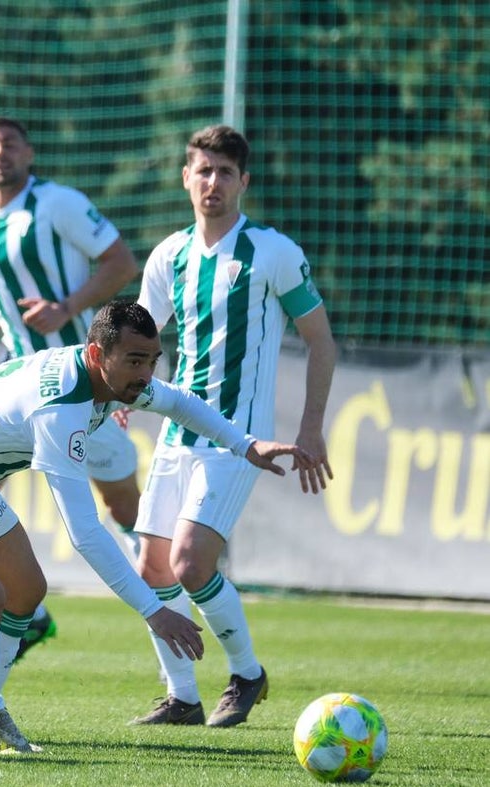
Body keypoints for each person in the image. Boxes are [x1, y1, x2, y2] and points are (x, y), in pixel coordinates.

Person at [0, 300, 310, 752]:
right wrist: (154, 609)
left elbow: (177, 401)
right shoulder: (59, 410)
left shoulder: (104, 378)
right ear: (97, 354)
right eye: (134, 361)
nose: (146, 375)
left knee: (25, 590)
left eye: (152, 360)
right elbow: (85, 532)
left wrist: (244, 445)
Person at [130, 124, 336, 728]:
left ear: (244, 181)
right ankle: (182, 696)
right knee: (151, 570)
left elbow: (320, 343)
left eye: (224, 172)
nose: (212, 182)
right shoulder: (170, 256)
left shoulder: (271, 252)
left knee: (192, 564)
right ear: (185, 178)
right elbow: (141, 336)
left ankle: (246, 673)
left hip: (237, 441)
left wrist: (312, 427)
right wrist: (118, 391)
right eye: (202, 170)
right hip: (174, 434)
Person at [0, 116, 145, 661]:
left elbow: (121, 262)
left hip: (83, 383)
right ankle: (30, 613)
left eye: (9, 144)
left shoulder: (58, 203)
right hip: (21, 385)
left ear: (29, 152)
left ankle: (169, 585)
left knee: (124, 509)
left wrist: (67, 308)